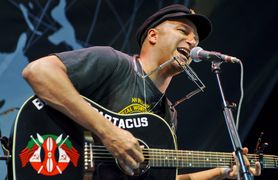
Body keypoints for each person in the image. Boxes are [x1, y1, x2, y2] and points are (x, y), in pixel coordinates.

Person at [22, 3, 261, 180]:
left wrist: (224, 171)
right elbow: (38, 71)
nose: (192, 42)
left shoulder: (167, 115)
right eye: (183, 31)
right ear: (153, 36)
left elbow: (159, 178)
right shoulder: (114, 62)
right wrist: (109, 134)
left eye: (196, 39)